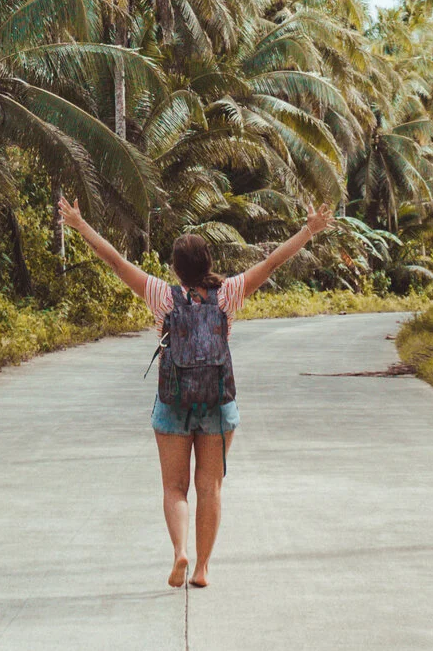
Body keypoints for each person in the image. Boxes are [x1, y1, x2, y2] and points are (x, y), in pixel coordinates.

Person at [57, 193, 333, 589]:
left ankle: (179, 552)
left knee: (175, 488)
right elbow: (272, 262)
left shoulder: (160, 295)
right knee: (210, 487)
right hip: (218, 404)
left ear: (175, 268)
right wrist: (309, 230)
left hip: (173, 403)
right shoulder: (229, 294)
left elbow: (115, 261)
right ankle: (202, 568)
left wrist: (79, 224)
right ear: (209, 263)